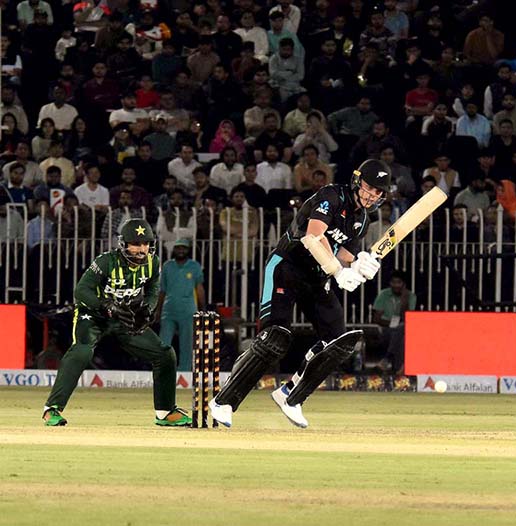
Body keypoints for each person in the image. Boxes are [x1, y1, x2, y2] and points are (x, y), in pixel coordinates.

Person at [209, 159, 391, 429]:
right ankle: (223, 402)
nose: (370, 196)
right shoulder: (331, 195)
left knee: (337, 341)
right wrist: (338, 271)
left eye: (377, 193)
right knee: (275, 338)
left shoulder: (362, 220)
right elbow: (313, 237)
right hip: (287, 266)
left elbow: (343, 258)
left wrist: (358, 267)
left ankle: (290, 395)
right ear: (356, 181)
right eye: (368, 188)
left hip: (316, 279)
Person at [42, 219, 191, 427]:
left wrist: (147, 310)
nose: (142, 249)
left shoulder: (153, 262)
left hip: (124, 316)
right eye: (136, 244)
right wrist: (106, 306)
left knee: (165, 354)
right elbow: (81, 291)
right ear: (124, 244)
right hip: (94, 315)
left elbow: (152, 288)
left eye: (146, 244)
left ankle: (165, 412)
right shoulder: (106, 261)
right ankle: (52, 409)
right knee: (82, 352)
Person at [157, 239, 206, 372]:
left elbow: (199, 289)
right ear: (174, 250)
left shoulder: (194, 266)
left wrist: (203, 308)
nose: (180, 251)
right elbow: (162, 290)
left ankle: (184, 371)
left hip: (188, 310)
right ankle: (163, 369)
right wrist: (158, 311)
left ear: (188, 250)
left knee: (187, 343)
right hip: (169, 309)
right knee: (164, 342)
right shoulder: (167, 266)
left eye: (183, 248)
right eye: (178, 248)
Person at [373, 270, 416, 372]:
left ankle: (388, 359)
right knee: (400, 333)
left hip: (402, 329)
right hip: (385, 327)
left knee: (402, 333)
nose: (396, 285)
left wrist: (404, 301)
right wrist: (392, 325)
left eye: (399, 282)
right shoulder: (383, 294)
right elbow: (377, 319)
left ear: (404, 284)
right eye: (393, 282)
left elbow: (407, 318)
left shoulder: (411, 296)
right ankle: (398, 369)